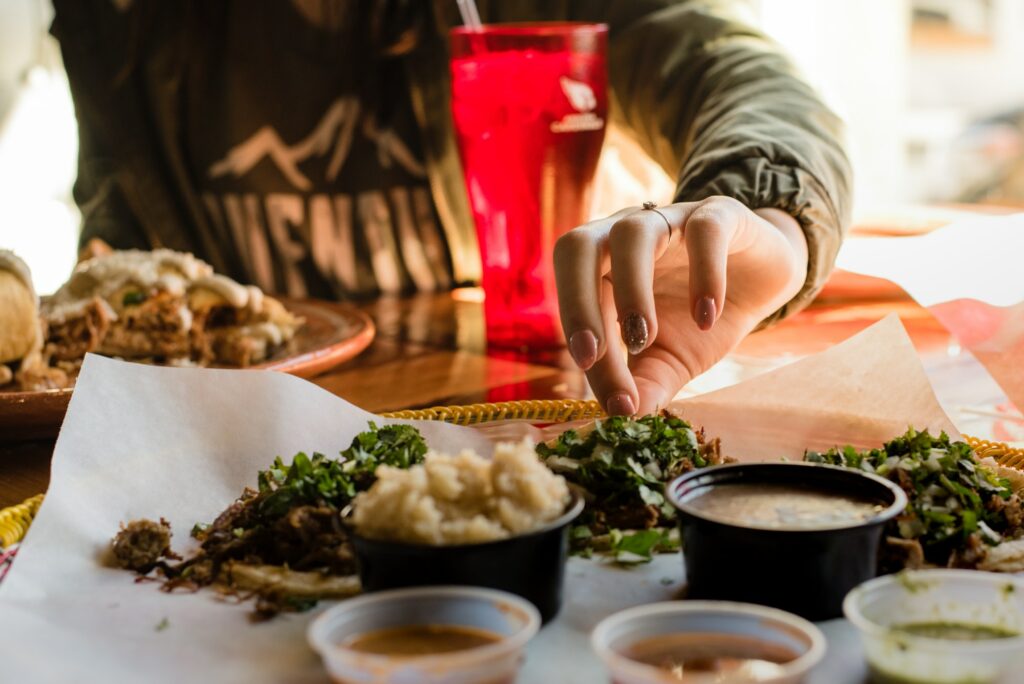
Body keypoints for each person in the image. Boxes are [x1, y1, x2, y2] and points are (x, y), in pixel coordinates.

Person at [51, 0, 851, 416]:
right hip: (237, 450)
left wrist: (759, 210)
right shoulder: (125, 24)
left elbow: (741, 75)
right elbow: (116, 245)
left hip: (547, 405)